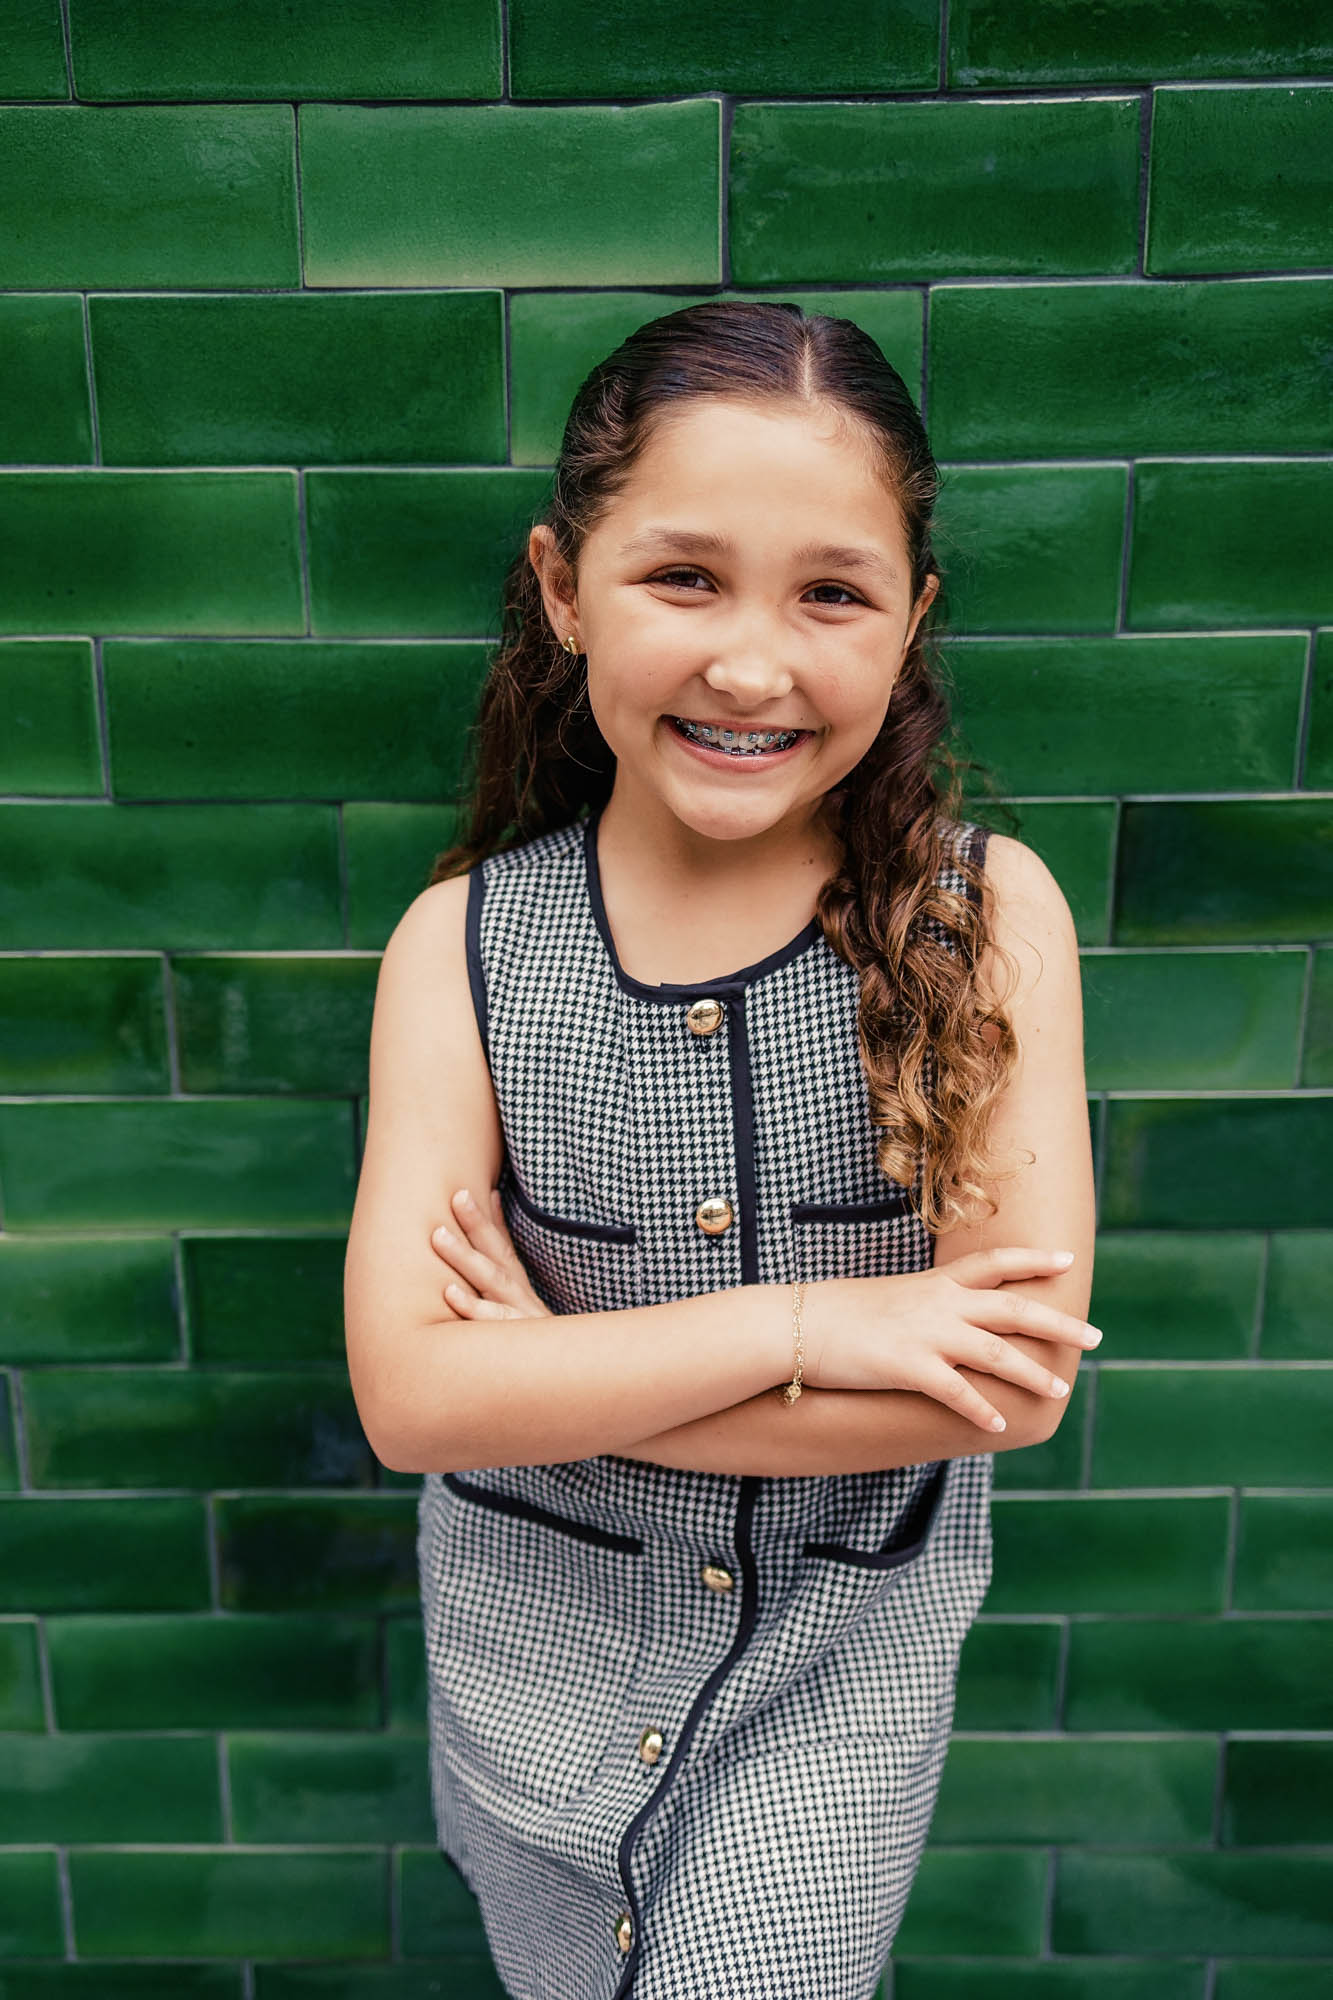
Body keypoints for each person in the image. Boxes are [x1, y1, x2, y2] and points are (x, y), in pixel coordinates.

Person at [343, 299, 1099, 2000]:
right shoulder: (459, 948)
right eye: (682, 578)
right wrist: (811, 1325)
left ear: (912, 619)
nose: (752, 667)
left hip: (834, 1683)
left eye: (830, 593)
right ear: (562, 589)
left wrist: (548, 1376)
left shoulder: (985, 923)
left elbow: (1005, 1385)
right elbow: (410, 1399)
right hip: (529, 1680)